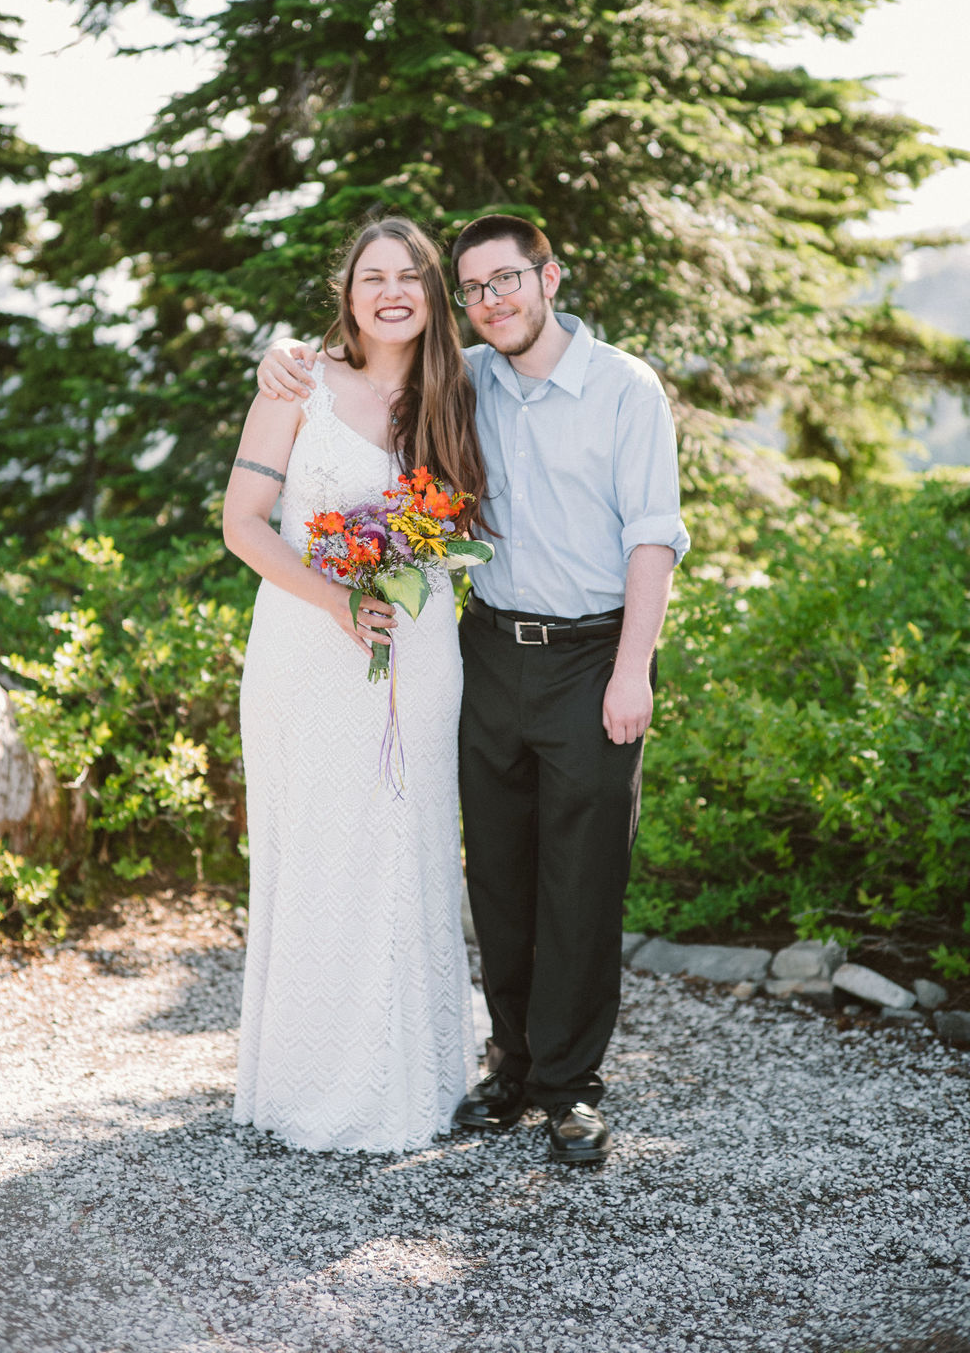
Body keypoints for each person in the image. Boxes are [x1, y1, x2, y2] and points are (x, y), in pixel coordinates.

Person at [257, 214, 689, 1164]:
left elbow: (653, 536)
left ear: (550, 276)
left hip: (592, 658)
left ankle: (571, 1090)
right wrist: (281, 354)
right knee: (495, 873)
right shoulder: (464, 380)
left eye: (508, 281)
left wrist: (633, 670)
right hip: (485, 652)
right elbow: (355, 370)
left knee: (581, 878)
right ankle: (514, 1066)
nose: (493, 301)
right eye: (477, 288)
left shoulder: (626, 388)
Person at [224, 216, 488, 1153]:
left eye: (409, 275)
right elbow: (244, 524)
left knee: (409, 842)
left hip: (420, 646)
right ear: (348, 293)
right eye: (372, 276)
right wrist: (337, 598)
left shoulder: (458, 391)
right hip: (308, 643)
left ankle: (417, 1079)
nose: (391, 292)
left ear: (433, 293)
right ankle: (309, 1083)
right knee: (323, 844)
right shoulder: (298, 381)